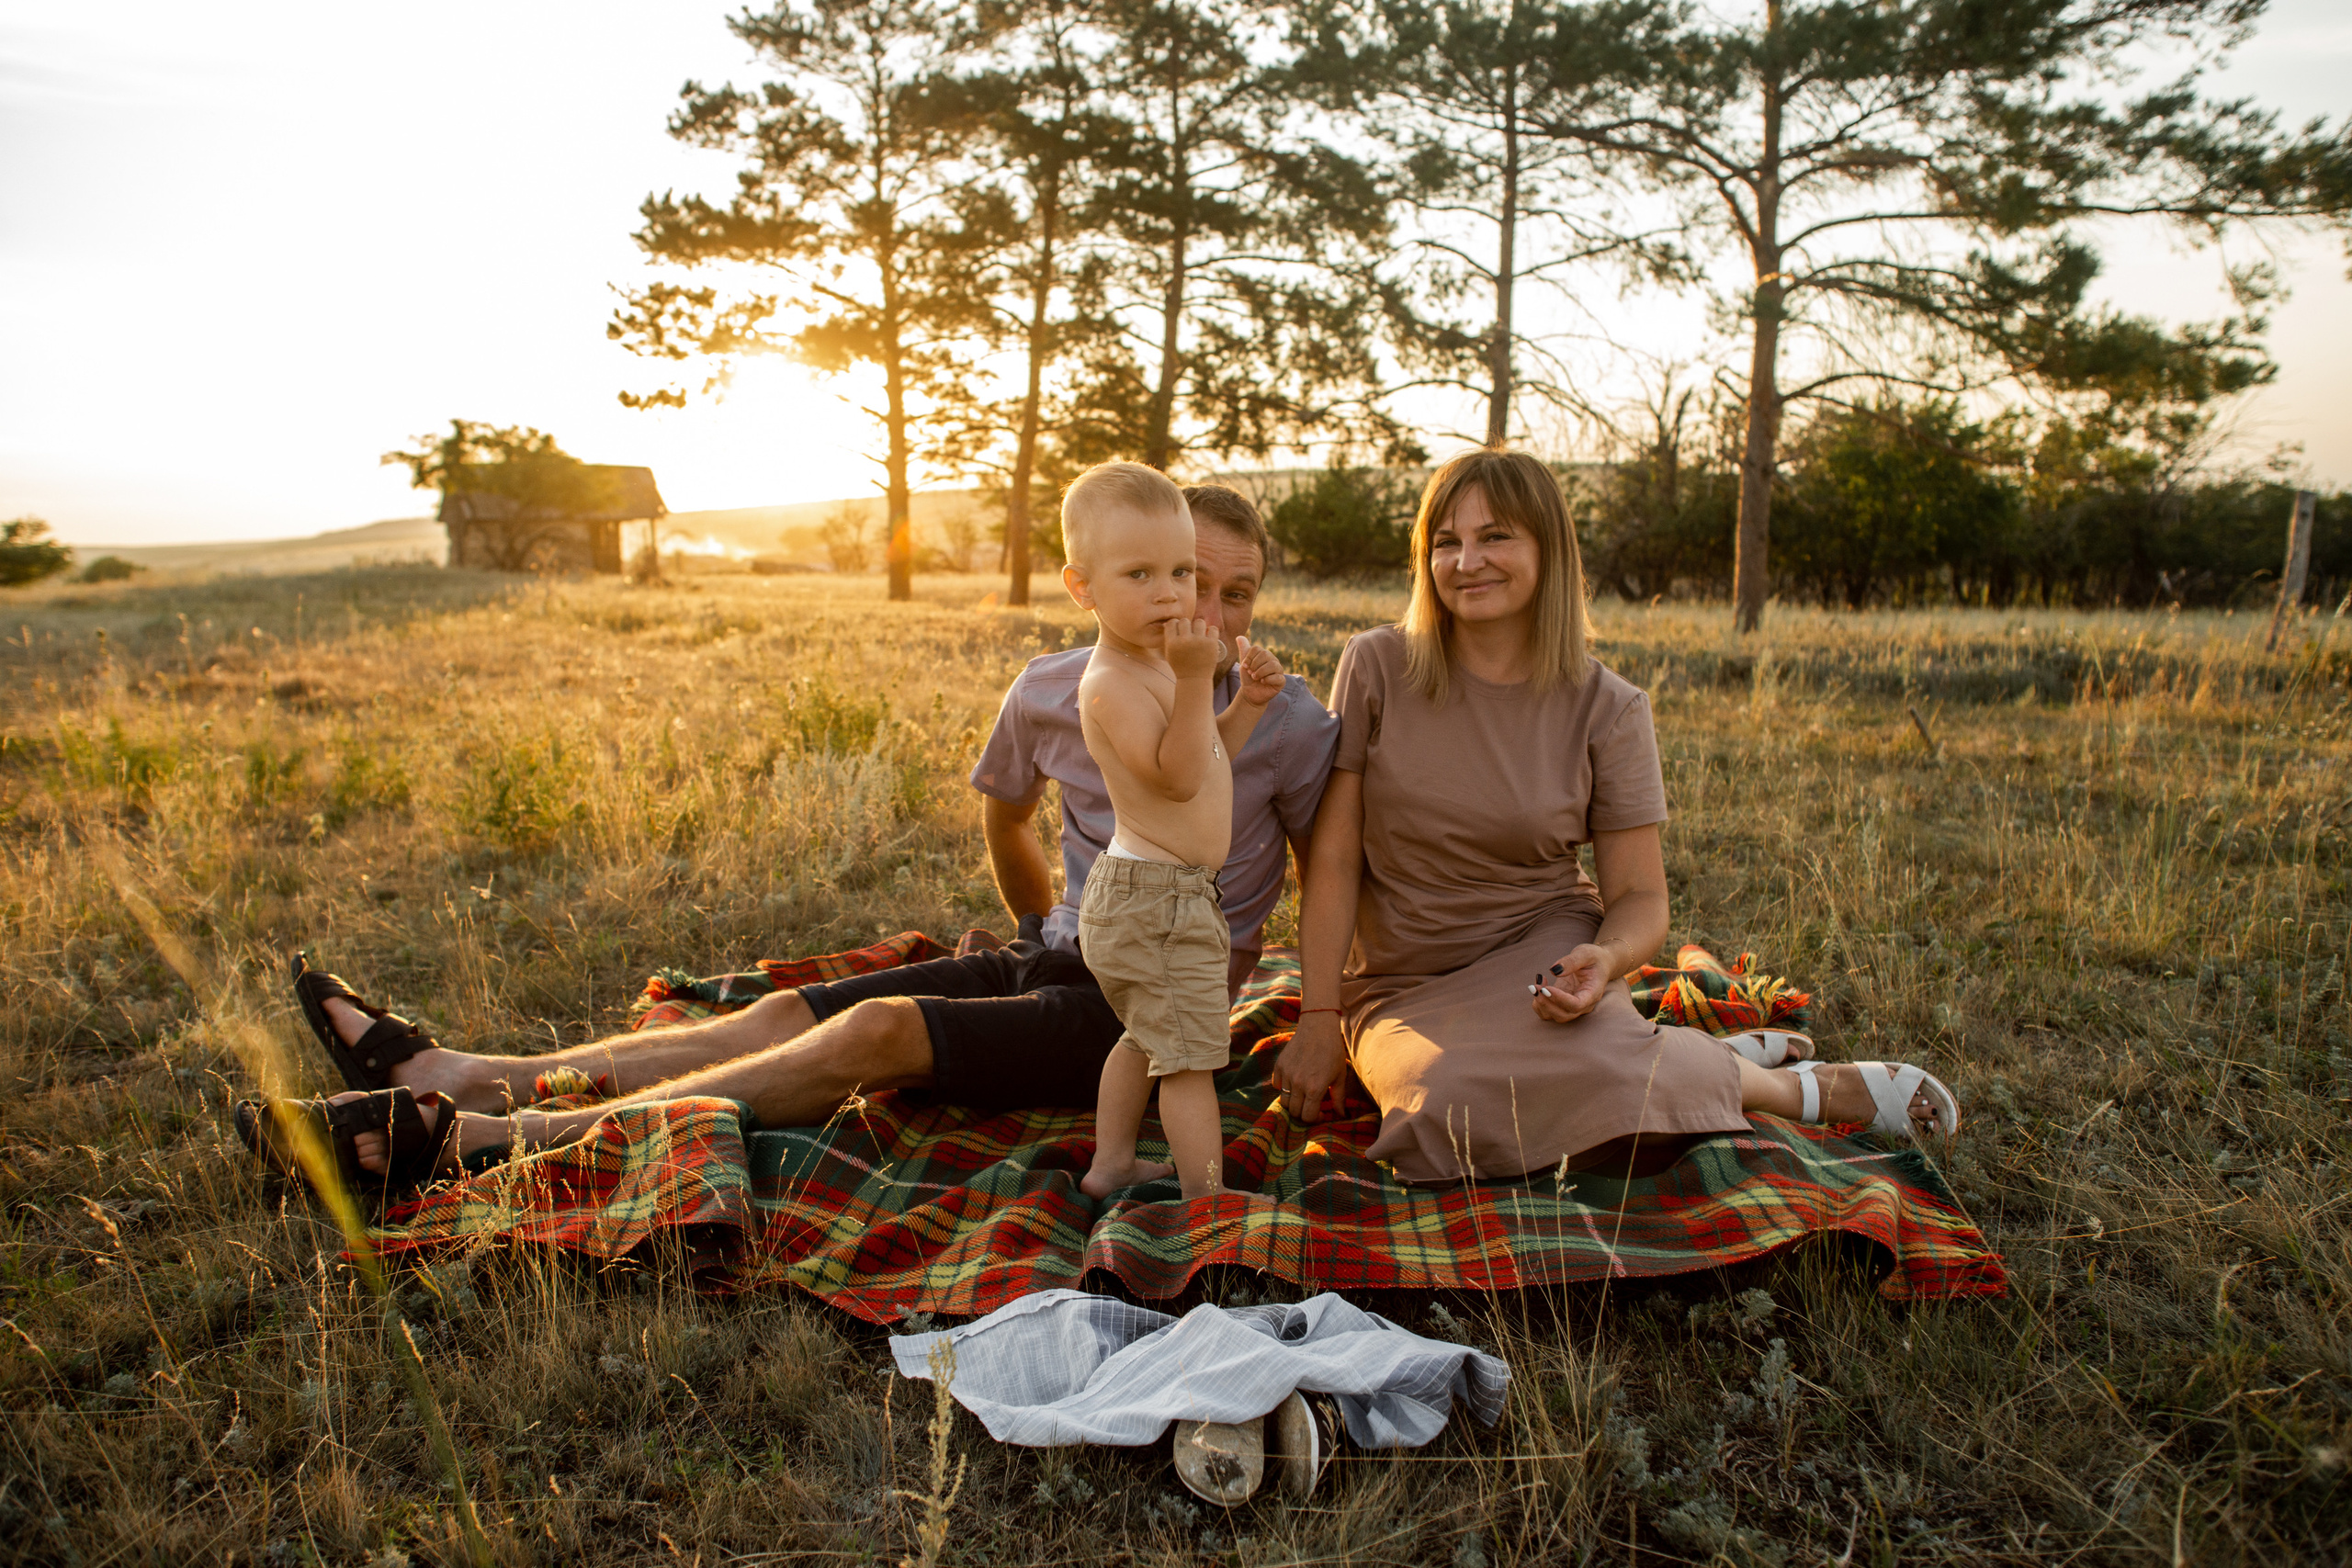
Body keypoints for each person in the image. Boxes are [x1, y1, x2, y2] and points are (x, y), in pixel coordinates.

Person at [244, 484, 1340, 1189]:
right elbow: (1005, 812)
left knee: (877, 1032)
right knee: (781, 1012)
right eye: (1184, 578)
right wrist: (1030, 921)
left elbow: (1328, 868)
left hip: (1142, 1001)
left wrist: (1322, 1018)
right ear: (1107, 581)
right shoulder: (1061, 684)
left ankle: (480, 1143)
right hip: (1055, 951)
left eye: (1235, 592)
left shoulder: (1285, 721)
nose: (1208, 613)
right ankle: (475, 1071)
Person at [1269, 448, 1960, 1182]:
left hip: (1541, 953)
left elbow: (1639, 896)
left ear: (1549, 550)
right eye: (1446, 541)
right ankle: (1688, 1061)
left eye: (1494, 536)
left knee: (1616, 1124)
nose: (1467, 561)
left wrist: (1605, 960)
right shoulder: (1377, 665)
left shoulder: (1610, 706)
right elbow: (1332, 859)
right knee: (1448, 1112)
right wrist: (1320, 1015)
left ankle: (1796, 1090)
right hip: (1401, 979)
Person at [1057, 462, 1289, 1201]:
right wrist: (1195, 679)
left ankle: (1113, 1162)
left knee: (1148, 1035)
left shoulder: (1153, 665)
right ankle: (1208, 1199)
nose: (1169, 593)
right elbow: (1179, 776)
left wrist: (1245, 705)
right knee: (1190, 1059)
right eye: (1139, 574)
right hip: (1152, 898)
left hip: (1165, 895)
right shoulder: (1110, 682)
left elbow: (1208, 753)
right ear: (1083, 587)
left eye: (1181, 571)